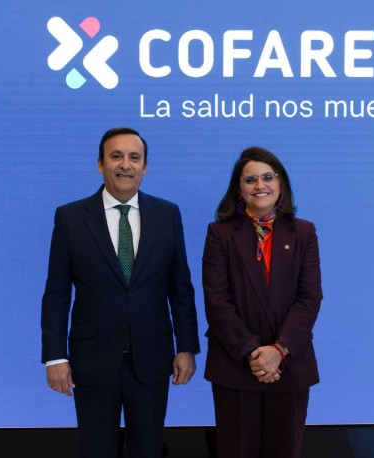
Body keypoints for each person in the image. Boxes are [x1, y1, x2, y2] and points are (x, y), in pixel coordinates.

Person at [41, 127, 200, 458]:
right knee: (96, 450)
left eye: (134, 157)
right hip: (92, 361)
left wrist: (186, 347)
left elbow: (180, 288)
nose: (125, 165)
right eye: (116, 156)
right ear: (100, 163)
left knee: (149, 450)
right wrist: (55, 356)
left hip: (152, 358)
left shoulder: (167, 214)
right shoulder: (71, 217)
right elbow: (56, 293)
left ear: (145, 166)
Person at [202, 146, 323, 458]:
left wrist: (279, 350)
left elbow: (309, 297)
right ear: (239, 189)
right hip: (236, 365)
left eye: (268, 177)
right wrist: (255, 355)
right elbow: (217, 301)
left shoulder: (303, 232)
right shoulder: (219, 234)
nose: (260, 186)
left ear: (281, 183)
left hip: (289, 366)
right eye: (250, 179)